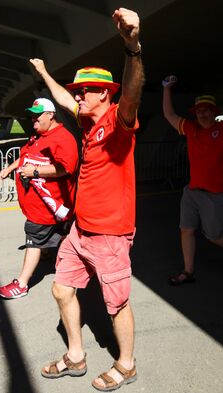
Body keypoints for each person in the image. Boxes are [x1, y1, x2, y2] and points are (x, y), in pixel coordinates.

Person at [30, 7, 144, 391]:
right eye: (79, 89)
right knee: (62, 288)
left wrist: (132, 47)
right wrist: (45, 73)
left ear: (104, 94)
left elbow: (131, 93)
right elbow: (63, 99)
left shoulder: (117, 121)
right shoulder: (85, 119)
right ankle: (76, 356)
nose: (79, 94)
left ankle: (126, 364)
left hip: (111, 234)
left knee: (116, 305)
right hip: (81, 230)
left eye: (86, 90)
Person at [162, 71, 223, 285]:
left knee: (214, 236)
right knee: (186, 230)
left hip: (216, 194)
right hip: (192, 191)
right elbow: (169, 115)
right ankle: (188, 271)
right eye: (200, 111)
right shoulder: (191, 128)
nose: (203, 114)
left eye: (207, 110)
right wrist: (166, 89)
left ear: (214, 112)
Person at [0, 97, 79, 299]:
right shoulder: (38, 136)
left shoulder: (63, 138)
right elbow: (26, 157)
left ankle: (22, 284)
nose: (33, 118)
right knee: (63, 236)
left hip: (49, 206)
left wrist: (35, 172)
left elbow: (65, 168)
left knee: (33, 241)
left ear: (50, 115)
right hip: (43, 207)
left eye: (37, 114)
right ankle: (58, 259)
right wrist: (10, 168)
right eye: (32, 114)